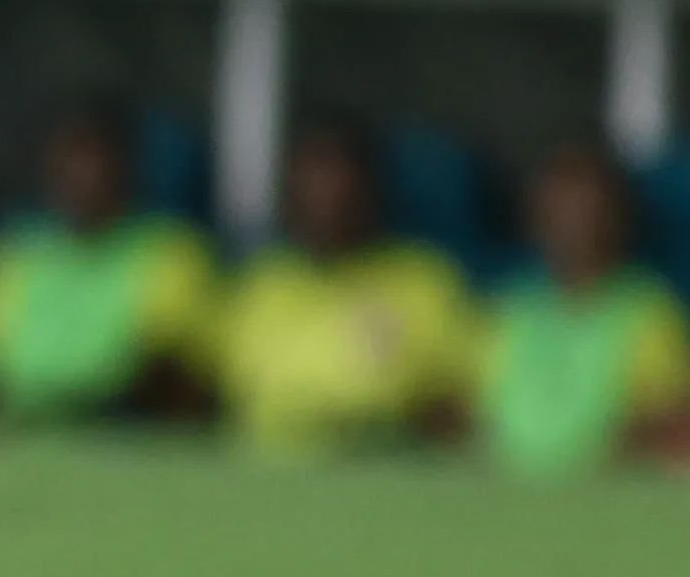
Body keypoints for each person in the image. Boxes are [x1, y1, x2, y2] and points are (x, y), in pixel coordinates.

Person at [217, 116, 473, 460]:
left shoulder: (423, 282)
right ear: (290, 192)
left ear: (370, 191)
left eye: (340, 181)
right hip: (266, 486)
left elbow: (458, 411)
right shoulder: (261, 285)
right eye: (313, 181)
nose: (327, 199)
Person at [0, 102, 219, 422]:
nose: (83, 172)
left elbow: (174, 380)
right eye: (71, 156)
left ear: (126, 166)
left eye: (96, 156)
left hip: (123, 439)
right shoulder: (10, 254)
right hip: (16, 436)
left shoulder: (169, 253)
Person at [476, 137, 690, 478]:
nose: (570, 218)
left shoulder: (647, 311)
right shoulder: (509, 307)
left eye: (583, 203)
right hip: (506, 495)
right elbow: (464, 414)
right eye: (557, 202)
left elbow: (674, 428)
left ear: (615, 215)